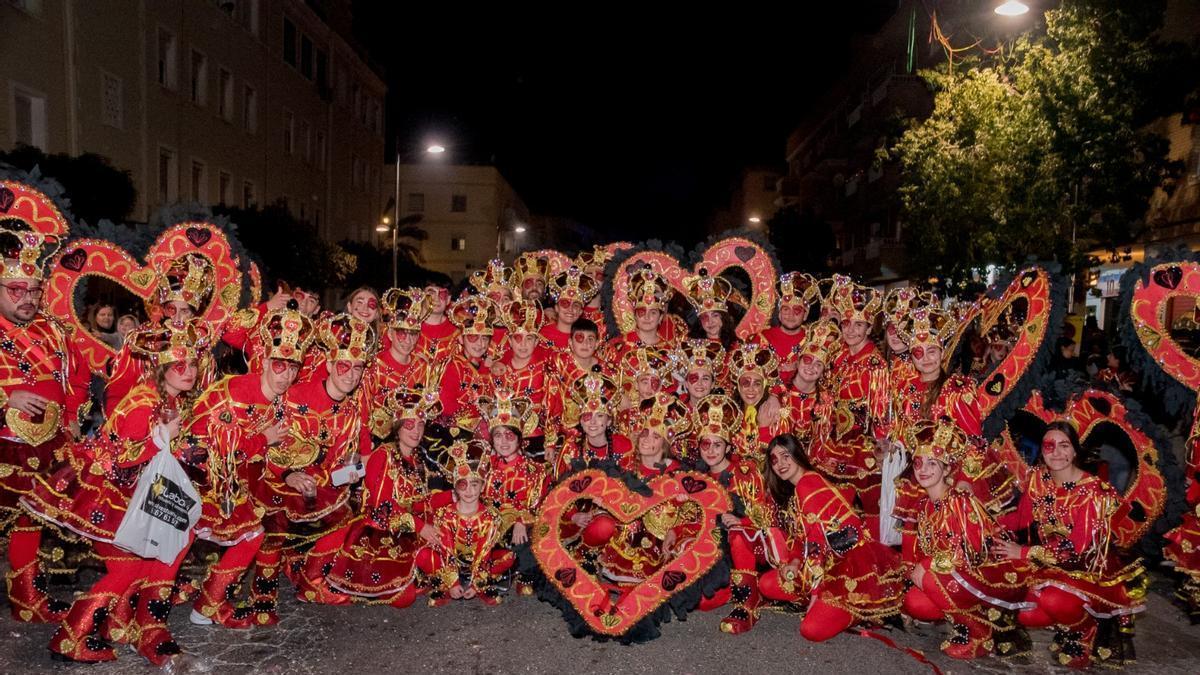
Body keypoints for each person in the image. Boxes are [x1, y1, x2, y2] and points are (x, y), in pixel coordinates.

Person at [30, 321, 205, 664]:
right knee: (129, 569)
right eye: (179, 366)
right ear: (160, 368)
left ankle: (132, 624)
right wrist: (160, 439)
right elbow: (121, 462)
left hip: (133, 496)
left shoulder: (167, 399)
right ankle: (72, 637)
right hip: (110, 498)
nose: (189, 372)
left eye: (193, 364)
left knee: (170, 544)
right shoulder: (144, 403)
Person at [180, 304, 314, 629]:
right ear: (266, 361)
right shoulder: (237, 390)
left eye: (292, 367)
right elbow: (203, 440)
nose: (286, 374)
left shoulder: (280, 404)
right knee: (175, 547)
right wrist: (261, 441)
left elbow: (275, 452)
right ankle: (159, 610)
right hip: (202, 478)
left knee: (249, 536)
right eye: (279, 365)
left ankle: (206, 605)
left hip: (238, 484)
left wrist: (289, 471)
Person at [0, 217, 90, 624]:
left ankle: (26, 598)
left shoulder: (53, 331)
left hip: (50, 441)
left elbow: (79, 376)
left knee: (31, 519)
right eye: (17, 290)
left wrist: (71, 418)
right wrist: (5, 397)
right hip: (3, 442)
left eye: (35, 290)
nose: (29, 298)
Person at [996, 422, 1144, 668]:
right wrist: (987, 521)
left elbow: (1079, 549)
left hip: (1086, 570)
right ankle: (1068, 625)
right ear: (1042, 450)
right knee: (1023, 611)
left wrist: (1025, 552)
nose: (1056, 453)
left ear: (1075, 451)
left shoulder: (1093, 492)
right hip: (1048, 565)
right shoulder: (1038, 479)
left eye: (1064, 446)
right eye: (1049, 446)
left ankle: (1085, 631)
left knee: (1053, 601)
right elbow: (1020, 520)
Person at [254, 314, 375, 611]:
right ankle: (263, 598)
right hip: (274, 480)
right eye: (344, 366)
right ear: (331, 365)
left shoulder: (352, 411)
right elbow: (262, 442)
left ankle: (311, 581)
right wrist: (287, 475)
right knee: (276, 522)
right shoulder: (294, 397)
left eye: (357, 368)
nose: (350, 374)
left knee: (350, 514)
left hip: (320, 485)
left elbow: (350, 462)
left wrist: (354, 473)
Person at [899, 418, 1032, 660]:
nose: (924, 470)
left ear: (947, 469)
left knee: (930, 578)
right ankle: (969, 620)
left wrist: (926, 565)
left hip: (987, 574)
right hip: (956, 578)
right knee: (915, 602)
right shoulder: (924, 506)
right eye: (919, 463)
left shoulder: (959, 499)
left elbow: (967, 552)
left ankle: (979, 633)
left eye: (933, 463)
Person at [758, 434, 903, 642]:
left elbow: (817, 547)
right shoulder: (799, 487)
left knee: (811, 630)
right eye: (774, 459)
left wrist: (815, 598)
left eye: (785, 456)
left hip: (845, 567)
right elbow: (804, 539)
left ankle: (859, 608)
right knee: (767, 584)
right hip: (823, 566)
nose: (781, 464)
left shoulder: (807, 485)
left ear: (798, 454)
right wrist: (795, 561)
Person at [325, 387, 447, 608]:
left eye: (420, 425)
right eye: (409, 425)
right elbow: (383, 506)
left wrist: (455, 497)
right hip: (381, 532)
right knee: (404, 599)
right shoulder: (383, 455)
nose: (416, 431)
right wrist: (420, 527)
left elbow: (420, 501)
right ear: (397, 428)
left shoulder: (417, 459)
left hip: (409, 528)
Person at [692, 393, 778, 634]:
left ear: (728, 446)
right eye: (705, 444)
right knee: (698, 603)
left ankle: (746, 602)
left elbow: (766, 514)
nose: (710, 450)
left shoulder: (745, 472)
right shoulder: (699, 479)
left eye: (717, 444)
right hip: (714, 554)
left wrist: (742, 520)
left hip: (749, 547)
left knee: (738, 535)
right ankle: (733, 587)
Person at [104, 253, 214, 415]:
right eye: (171, 310)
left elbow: (204, 392)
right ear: (163, 309)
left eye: (184, 311)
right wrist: (117, 423)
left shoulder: (198, 341)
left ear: (194, 314)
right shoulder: (144, 338)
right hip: (142, 414)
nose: (177, 318)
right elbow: (119, 387)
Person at [418, 439, 512, 606]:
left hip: (479, 562)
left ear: (482, 486)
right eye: (463, 485)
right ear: (455, 488)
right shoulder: (446, 514)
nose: (469, 491)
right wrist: (453, 583)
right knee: (423, 555)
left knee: (508, 557)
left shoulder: (490, 517)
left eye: (474, 484)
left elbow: (484, 552)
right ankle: (445, 584)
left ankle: (482, 585)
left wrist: (476, 584)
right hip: (450, 561)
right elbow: (446, 549)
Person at [478, 388, 548, 596]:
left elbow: (540, 503)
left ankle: (523, 573)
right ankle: (499, 569)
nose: (504, 441)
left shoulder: (536, 470)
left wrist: (521, 520)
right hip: (490, 528)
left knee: (533, 537)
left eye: (509, 435)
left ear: (520, 438)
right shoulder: (483, 467)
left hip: (521, 531)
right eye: (498, 435)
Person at [552, 367, 630, 478]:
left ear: (609, 421)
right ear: (580, 421)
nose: (593, 421)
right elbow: (560, 488)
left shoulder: (623, 446)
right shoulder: (571, 448)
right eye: (587, 416)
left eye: (599, 415)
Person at [753, 272, 816, 383]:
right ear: (779, 313)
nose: (790, 315)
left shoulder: (814, 339)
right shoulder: (761, 338)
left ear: (805, 315)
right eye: (786, 309)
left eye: (797, 310)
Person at [541, 266, 599, 350]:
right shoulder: (542, 334)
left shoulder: (587, 338)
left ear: (580, 311)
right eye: (565, 303)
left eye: (576, 305)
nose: (570, 309)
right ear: (556, 308)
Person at [683, 272, 737, 352]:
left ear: (723, 318)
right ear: (700, 322)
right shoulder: (691, 348)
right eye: (705, 317)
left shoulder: (736, 348)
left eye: (715, 315)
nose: (710, 321)